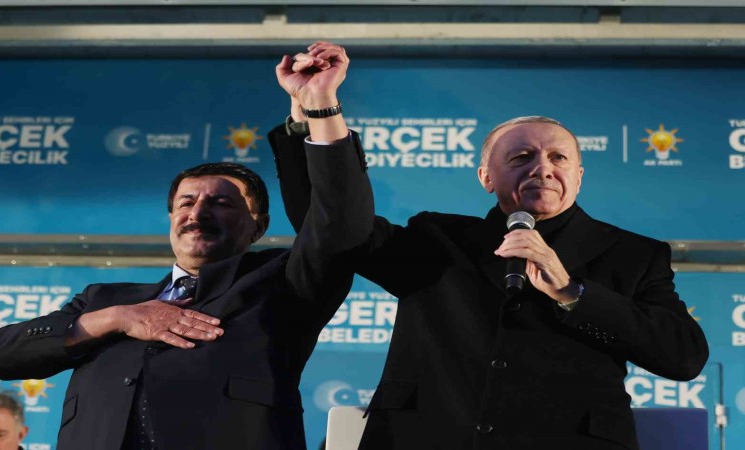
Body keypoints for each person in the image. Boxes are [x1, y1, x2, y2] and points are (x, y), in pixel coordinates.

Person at [271, 42, 709, 449]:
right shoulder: (437, 239)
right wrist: (314, 114)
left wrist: (572, 293)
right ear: (486, 178)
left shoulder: (632, 255)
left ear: (578, 177)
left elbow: (683, 357)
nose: (542, 168)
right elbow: (331, 224)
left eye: (558, 158)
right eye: (521, 157)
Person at [0, 47, 371, 450]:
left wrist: (318, 109)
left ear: (258, 227)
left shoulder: (282, 283)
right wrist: (119, 318)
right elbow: (1, 355)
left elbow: (337, 223)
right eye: (186, 202)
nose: (197, 213)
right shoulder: (103, 300)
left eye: (221, 203)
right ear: (171, 218)